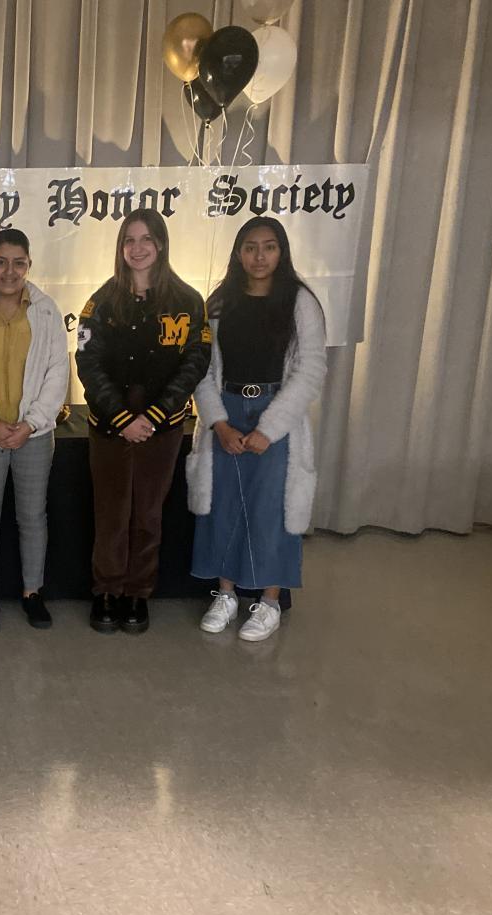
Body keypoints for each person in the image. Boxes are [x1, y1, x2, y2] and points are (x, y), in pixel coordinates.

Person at [188, 216, 327, 641]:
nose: (259, 256)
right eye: (250, 247)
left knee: (272, 510)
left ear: (281, 252)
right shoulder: (219, 303)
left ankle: (268, 601)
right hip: (227, 411)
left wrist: (270, 428)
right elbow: (201, 369)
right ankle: (226, 593)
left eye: (268, 247)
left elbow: (310, 370)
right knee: (224, 506)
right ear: (238, 253)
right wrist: (219, 423)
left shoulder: (300, 302)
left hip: (276, 414)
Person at [76, 208, 210, 634]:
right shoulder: (99, 302)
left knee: (148, 514)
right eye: (129, 240)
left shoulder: (189, 301)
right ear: (120, 248)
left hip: (162, 427)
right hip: (109, 427)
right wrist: (121, 418)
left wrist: (153, 416)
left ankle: (137, 592)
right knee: (111, 514)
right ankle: (107, 590)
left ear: (162, 244)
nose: (137, 248)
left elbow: (195, 362)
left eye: (146, 238)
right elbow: (88, 363)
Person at [0, 228, 70, 631]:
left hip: (33, 436)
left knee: (32, 517)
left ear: (29, 265)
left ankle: (32, 593)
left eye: (18, 263)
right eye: (0, 262)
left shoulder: (47, 310)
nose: (9, 271)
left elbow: (58, 372)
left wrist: (30, 423)